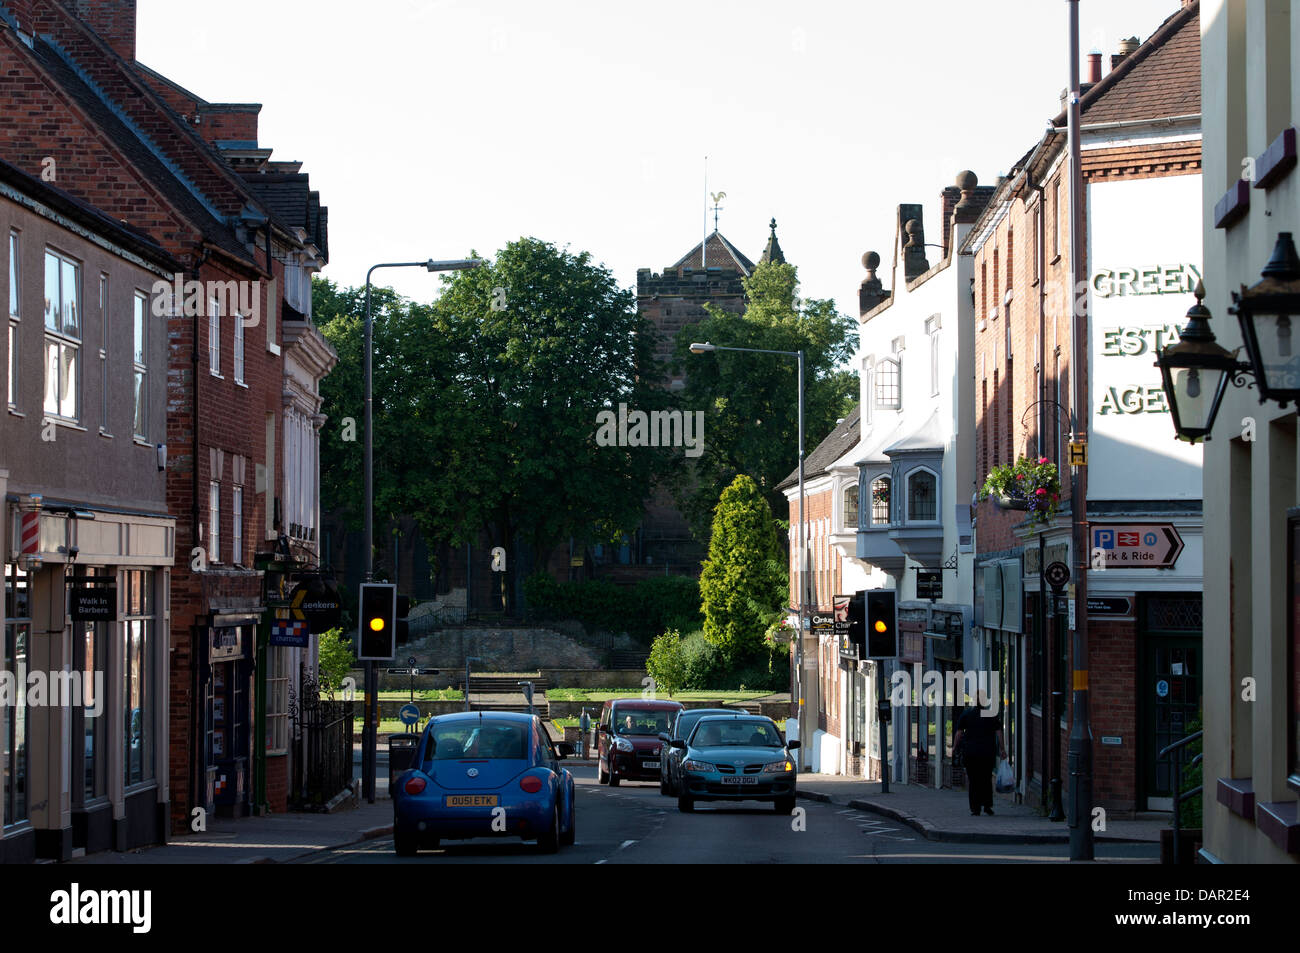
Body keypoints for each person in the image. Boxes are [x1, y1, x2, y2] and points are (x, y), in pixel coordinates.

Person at [953, 691, 1006, 816]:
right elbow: (999, 732)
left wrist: (955, 747)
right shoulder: (991, 715)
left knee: (973, 780)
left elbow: (959, 733)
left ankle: (975, 808)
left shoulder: (967, 714)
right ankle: (987, 805)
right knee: (986, 778)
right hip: (987, 752)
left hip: (971, 752)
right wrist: (1002, 749)